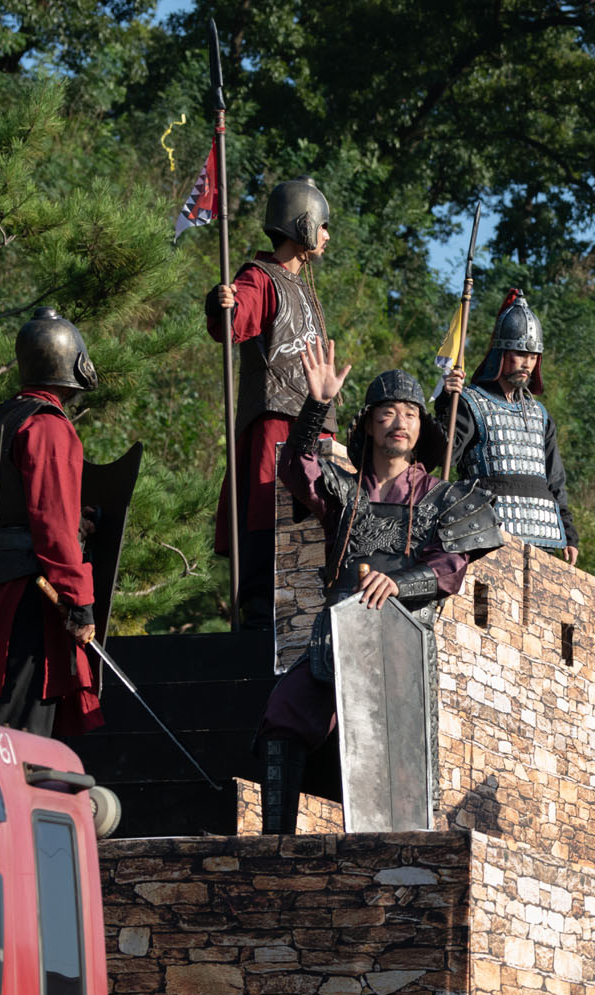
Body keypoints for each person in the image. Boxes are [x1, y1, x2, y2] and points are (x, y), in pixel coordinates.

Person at [256, 342, 503, 833]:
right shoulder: (343, 492)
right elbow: (296, 467)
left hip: (401, 643)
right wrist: (317, 404)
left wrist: (397, 582)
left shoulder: (443, 498)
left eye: (410, 413)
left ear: (421, 427)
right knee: (284, 710)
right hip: (337, 639)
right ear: (369, 425)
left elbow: (449, 568)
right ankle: (275, 845)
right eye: (387, 412)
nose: (399, 422)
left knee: (397, 756)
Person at [0, 307, 102, 738]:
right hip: (30, 603)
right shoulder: (47, 426)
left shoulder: (8, 419)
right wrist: (80, 602)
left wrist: (74, 520)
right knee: (19, 744)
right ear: (71, 363)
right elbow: (53, 529)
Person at [204, 176, 337, 627]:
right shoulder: (258, 277)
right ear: (303, 224)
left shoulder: (305, 287)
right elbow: (234, 321)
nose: (326, 236)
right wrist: (222, 303)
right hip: (275, 426)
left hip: (314, 427)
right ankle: (261, 613)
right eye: (323, 226)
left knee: (313, 536)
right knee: (269, 521)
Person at [439, 289, 579, 564]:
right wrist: (448, 403)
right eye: (520, 354)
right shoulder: (470, 403)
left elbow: (554, 479)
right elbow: (446, 455)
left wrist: (569, 533)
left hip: (543, 534)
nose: (527, 363)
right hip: (486, 532)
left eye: (533, 356)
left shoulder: (539, 414)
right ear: (501, 354)